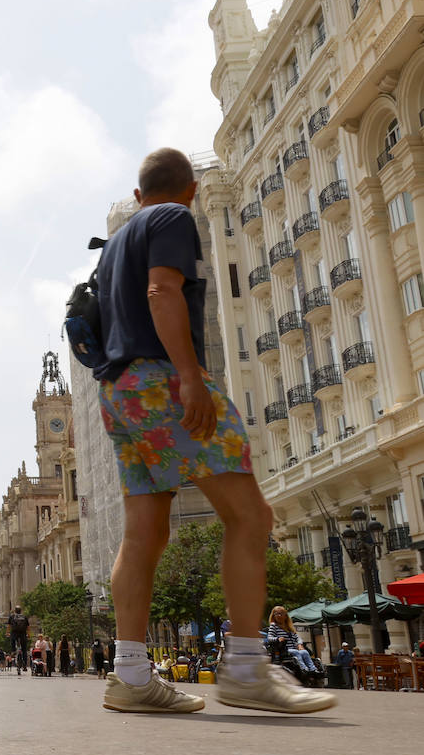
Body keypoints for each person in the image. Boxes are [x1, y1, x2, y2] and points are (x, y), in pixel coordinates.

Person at [93, 148, 336, 715]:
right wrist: (188, 376)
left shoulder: (114, 247)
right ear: (193, 191)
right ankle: (247, 667)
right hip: (162, 380)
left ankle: (129, 675)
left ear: (137, 194)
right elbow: (162, 291)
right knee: (250, 515)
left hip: (119, 391)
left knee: (143, 534)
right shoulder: (172, 218)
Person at [266, 606, 319, 676]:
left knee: (304, 652)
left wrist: (300, 644)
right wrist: (277, 639)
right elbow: (269, 638)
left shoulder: (289, 627)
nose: (279, 615)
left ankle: (313, 669)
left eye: (281, 614)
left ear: (285, 616)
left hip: (293, 650)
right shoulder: (274, 626)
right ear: (273, 616)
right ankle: (304, 669)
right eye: (276, 614)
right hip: (283, 651)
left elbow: (298, 638)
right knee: (296, 652)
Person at [6, 607, 29, 675]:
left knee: (12, 640)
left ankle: (13, 650)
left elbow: (9, 626)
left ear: (15, 611)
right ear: (21, 611)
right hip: (23, 634)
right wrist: (29, 634)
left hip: (14, 633)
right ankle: (24, 663)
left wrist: (7, 633)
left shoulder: (12, 616)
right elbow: (28, 627)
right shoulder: (24, 617)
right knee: (24, 649)